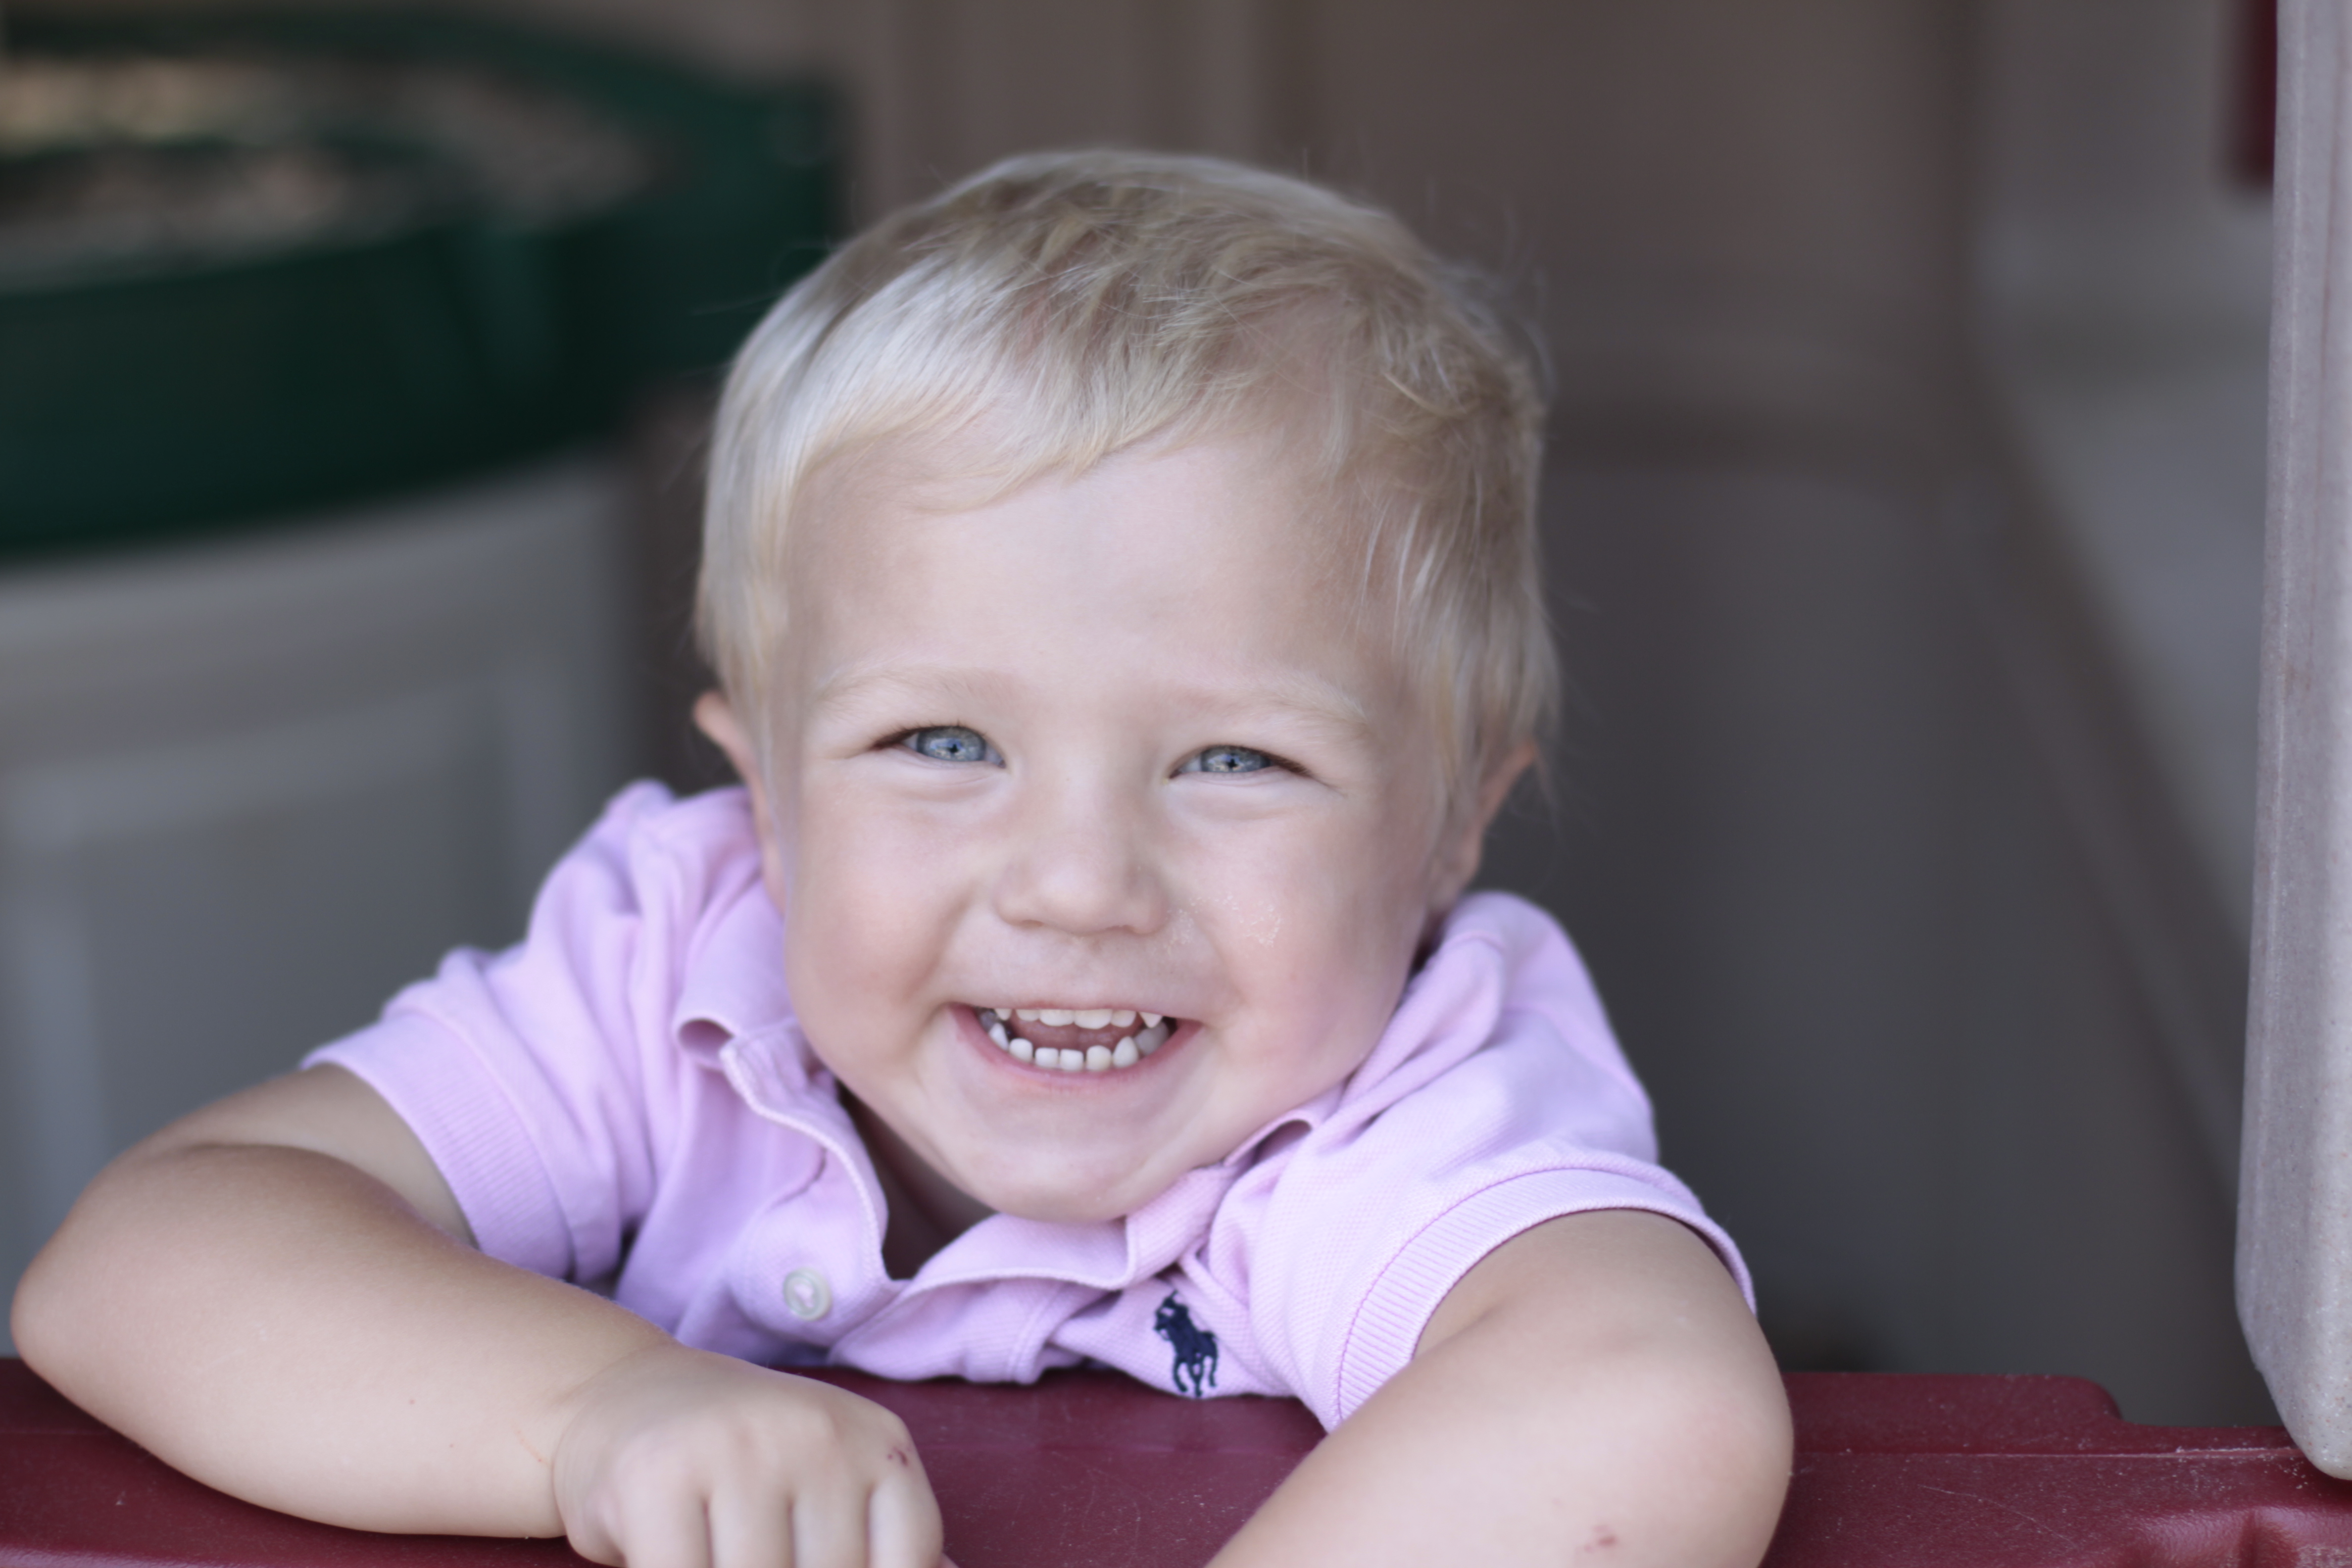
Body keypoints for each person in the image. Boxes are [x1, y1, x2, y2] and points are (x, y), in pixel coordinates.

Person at [12, 150, 1792, 1568]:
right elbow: (151, 1256)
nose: (1077, 883)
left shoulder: (1399, 1095)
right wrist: (600, 1412)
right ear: (768, 805)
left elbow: (1643, 1399)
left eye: (1237, 760)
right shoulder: (678, 963)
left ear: (1452, 825)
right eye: (942, 744)